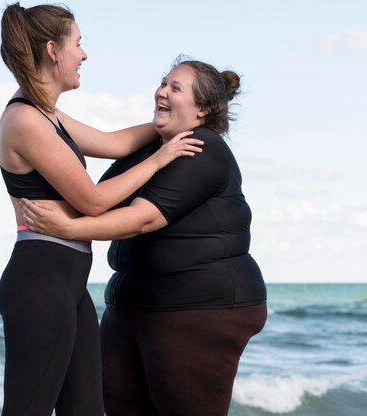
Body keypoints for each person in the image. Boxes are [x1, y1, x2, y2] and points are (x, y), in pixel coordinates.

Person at [20, 57, 268, 416]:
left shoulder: (203, 147)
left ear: (204, 109)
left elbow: (142, 219)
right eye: (163, 83)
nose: (161, 91)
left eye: (175, 88)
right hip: (133, 306)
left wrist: (69, 229)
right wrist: (28, 102)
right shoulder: (152, 146)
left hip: (199, 308)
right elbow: (100, 198)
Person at [0, 4, 202, 415]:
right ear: (53, 51)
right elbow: (91, 200)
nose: (84, 55)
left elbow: (115, 142)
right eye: (79, 43)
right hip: (40, 281)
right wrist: (161, 159)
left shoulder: (48, 115)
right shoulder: (25, 120)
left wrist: (178, 120)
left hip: (69, 285)